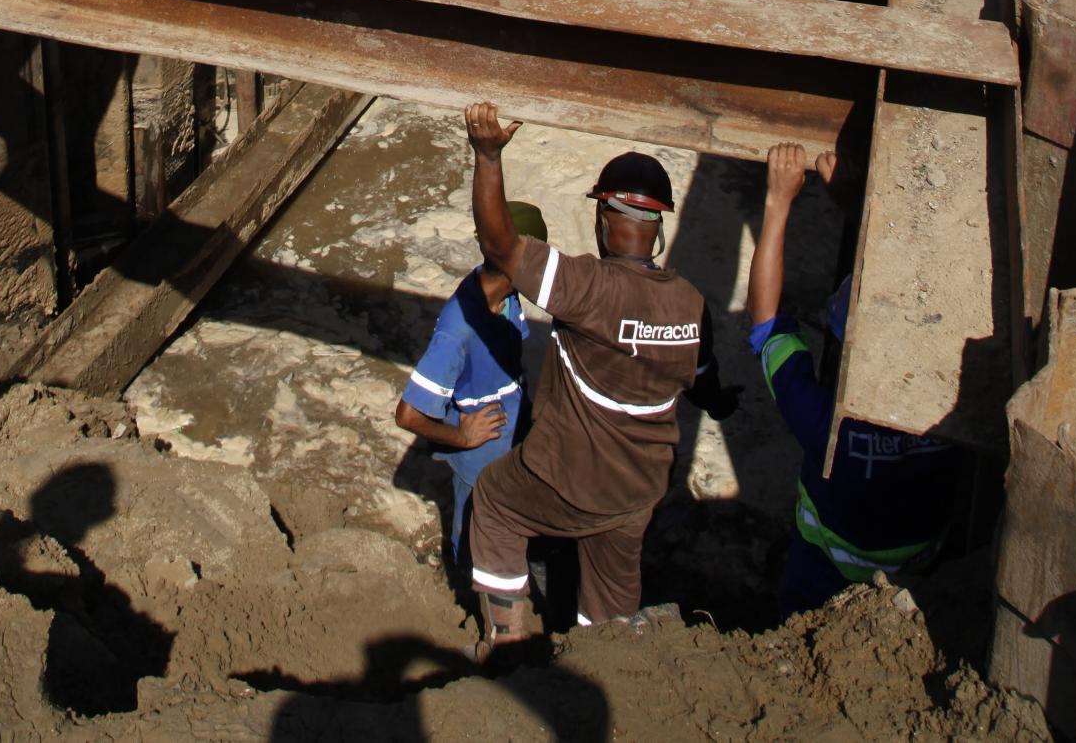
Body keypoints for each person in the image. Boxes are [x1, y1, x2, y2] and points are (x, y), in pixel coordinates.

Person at [462, 103, 737, 650]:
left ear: (603, 221)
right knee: (613, 592)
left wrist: (488, 154)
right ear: (657, 231)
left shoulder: (587, 288)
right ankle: (604, 658)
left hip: (568, 479)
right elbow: (705, 383)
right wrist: (724, 403)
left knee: (494, 500)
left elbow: (500, 244)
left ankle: (507, 641)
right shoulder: (691, 305)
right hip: (638, 491)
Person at [747, 142, 964, 619]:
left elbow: (766, 324)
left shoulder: (824, 422)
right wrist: (858, 208)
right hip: (918, 582)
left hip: (820, 577)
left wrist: (777, 202)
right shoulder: (958, 409)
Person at [395, 199, 548, 572]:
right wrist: (462, 437)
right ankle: (469, 598)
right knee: (476, 544)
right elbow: (407, 414)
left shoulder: (507, 296)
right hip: (481, 465)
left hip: (513, 447)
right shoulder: (458, 328)